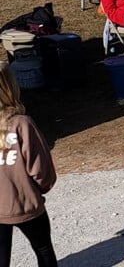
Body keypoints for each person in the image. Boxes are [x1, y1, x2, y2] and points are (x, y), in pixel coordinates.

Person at [0, 63, 58, 267]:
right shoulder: (22, 124)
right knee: (43, 250)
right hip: (25, 203)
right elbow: (40, 169)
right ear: (10, 87)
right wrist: (41, 188)